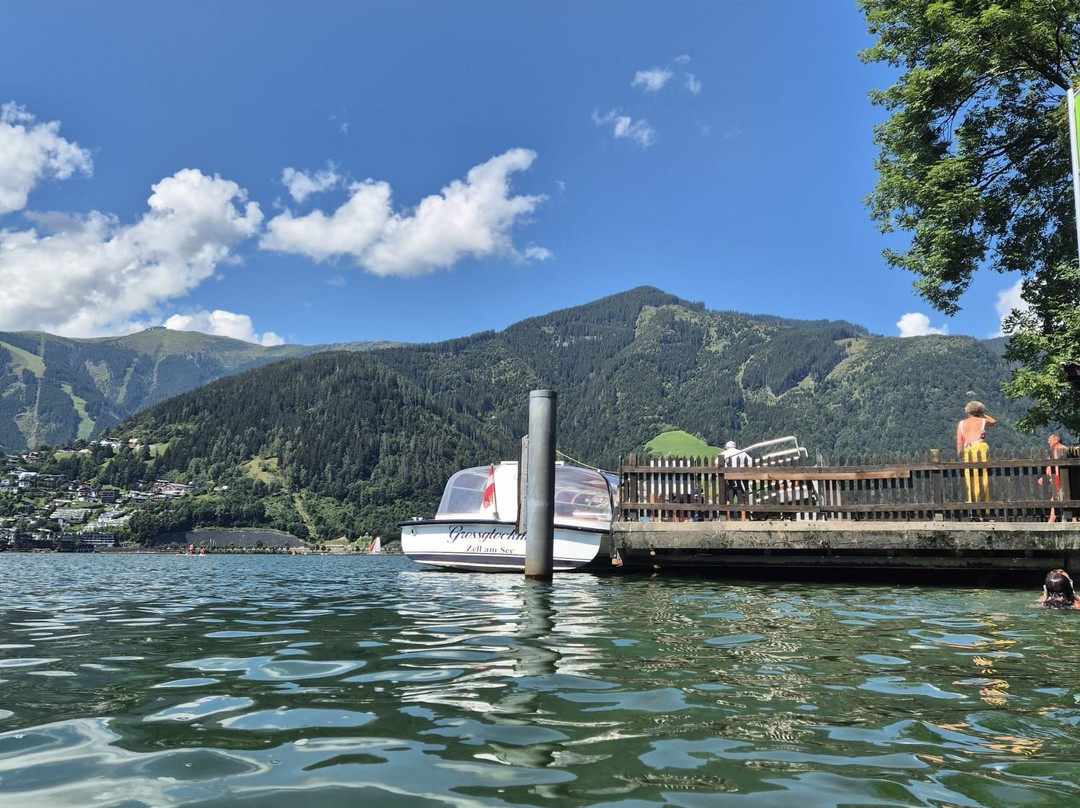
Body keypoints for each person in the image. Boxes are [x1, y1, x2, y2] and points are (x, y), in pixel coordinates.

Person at [956, 400, 995, 503]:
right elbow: (993, 421)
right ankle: (984, 504)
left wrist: (960, 454)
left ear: (968, 411)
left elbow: (960, 442)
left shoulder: (962, 423)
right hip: (981, 448)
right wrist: (981, 413)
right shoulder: (982, 421)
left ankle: (972, 504)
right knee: (983, 477)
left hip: (968, 450)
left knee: (970, 478)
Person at [1037, 434, 1069, 523]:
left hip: (1059, 477)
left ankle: (1052, 520)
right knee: (1059, 498)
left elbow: (1056, 466)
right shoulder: (1054, 451)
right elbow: (1049, 465)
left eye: (1050, 439)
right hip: (1057, 477)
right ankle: (1070, 519)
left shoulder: (1061, 450)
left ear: (1056, 440)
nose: (1048, 441)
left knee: (1055, 498)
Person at [721, 440, 752, 518]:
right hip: (740, 480)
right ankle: (743, 519)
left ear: (727, 447)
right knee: (742, 500)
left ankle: (728, 518)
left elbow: (716, 464)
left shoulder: (724, 453)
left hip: (729, 480)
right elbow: (750, 464)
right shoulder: (742, 453)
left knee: (727, 500)